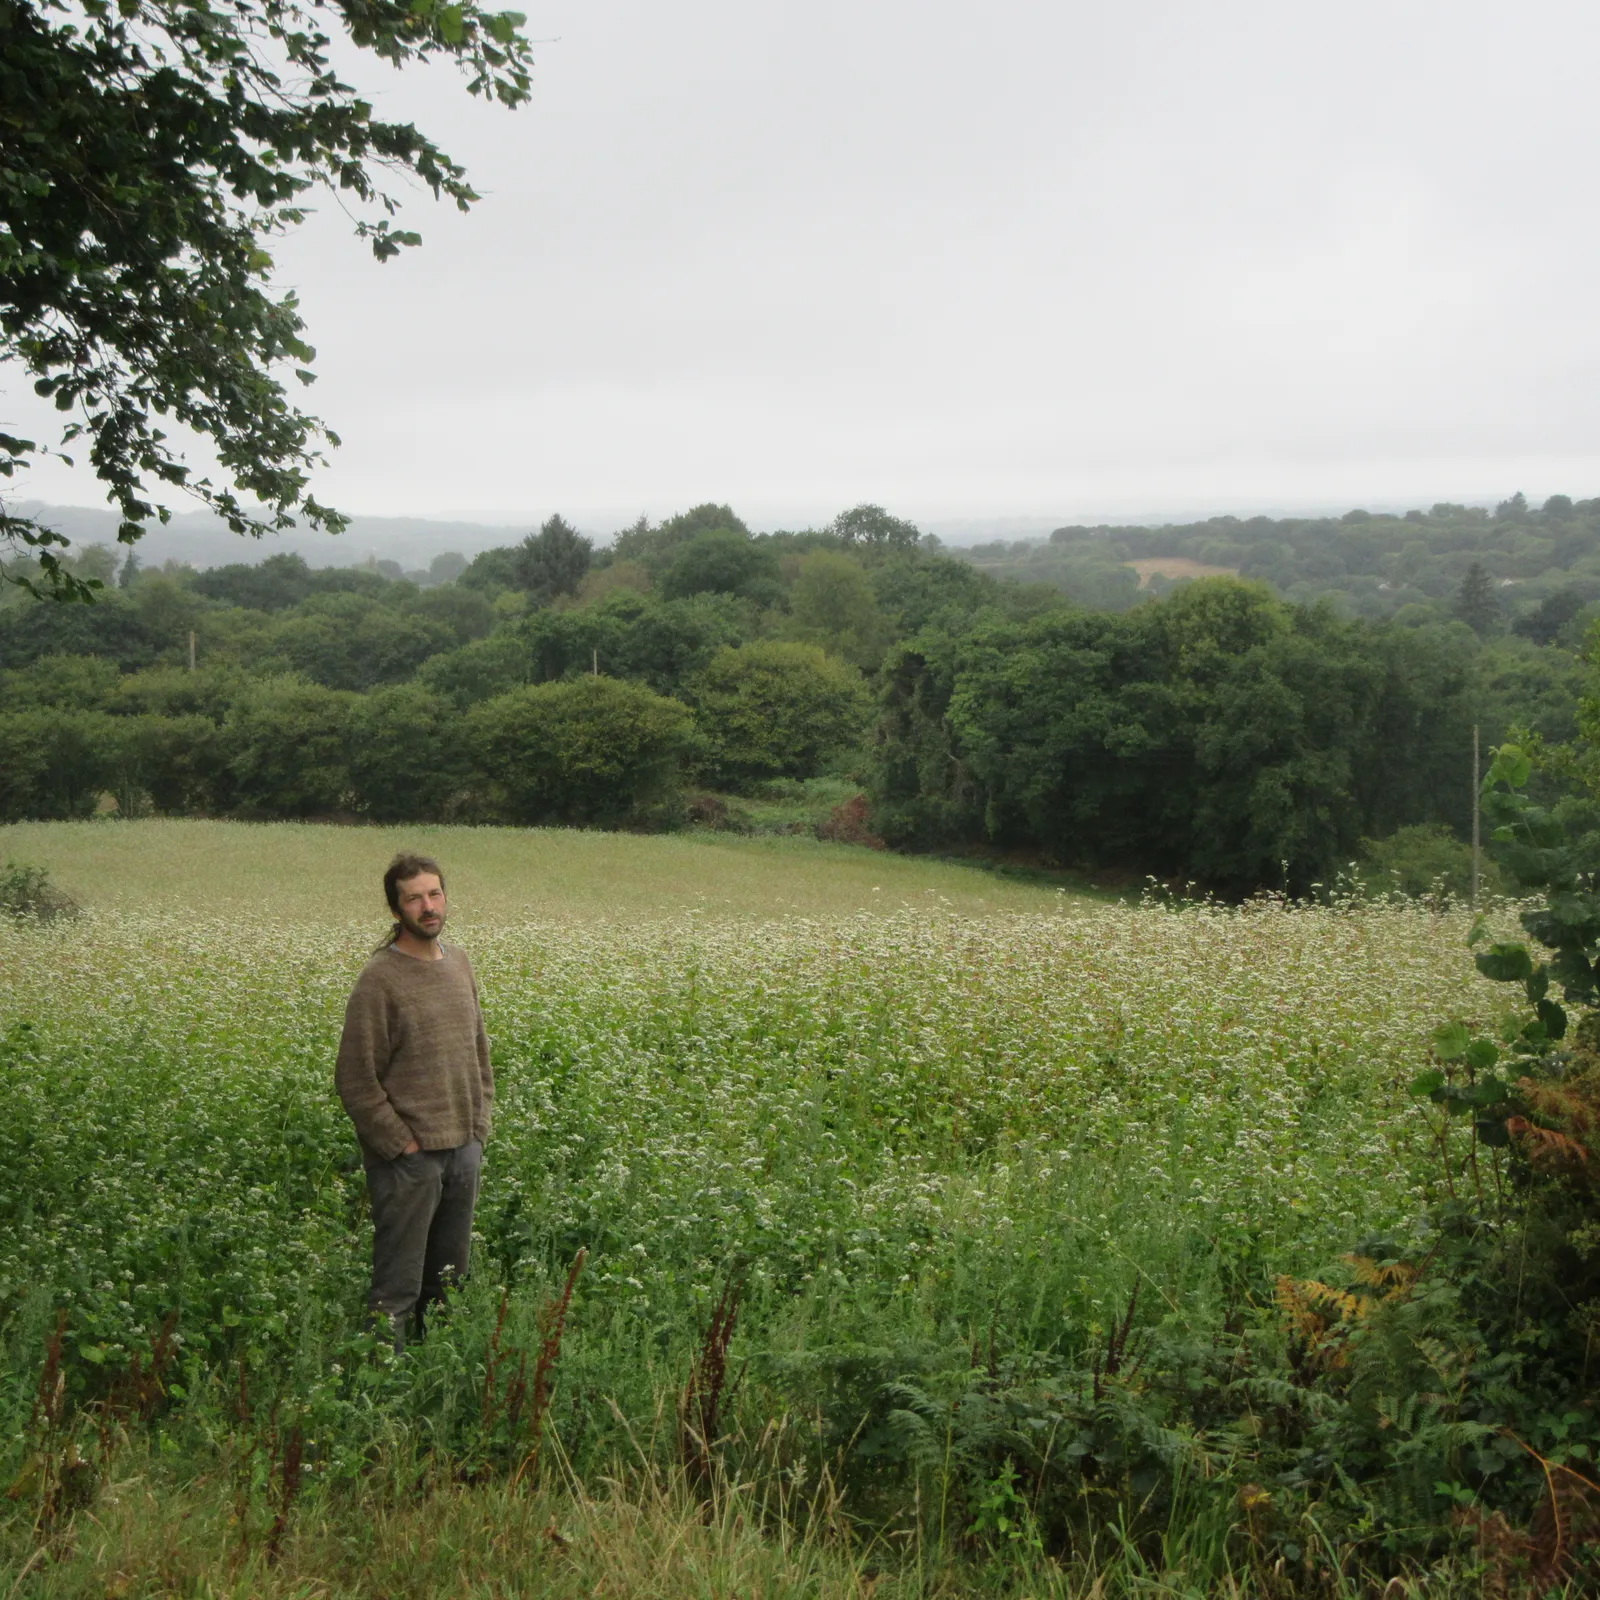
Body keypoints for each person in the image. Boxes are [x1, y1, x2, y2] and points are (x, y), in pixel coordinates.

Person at [336, 853, 493, 1348]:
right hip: (411, 1161)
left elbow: (479, 1052)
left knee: (448, 1285)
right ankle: (383, 1391)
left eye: (434, 894)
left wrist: (478, 1130)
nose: (428, 906)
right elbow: (355, 1078)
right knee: (397, 1289)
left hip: (463, 1151)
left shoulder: (460, 963)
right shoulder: (380, 979)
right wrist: (403, 1146)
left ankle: (436, 1380)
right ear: (396, 909)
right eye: (414, 898)